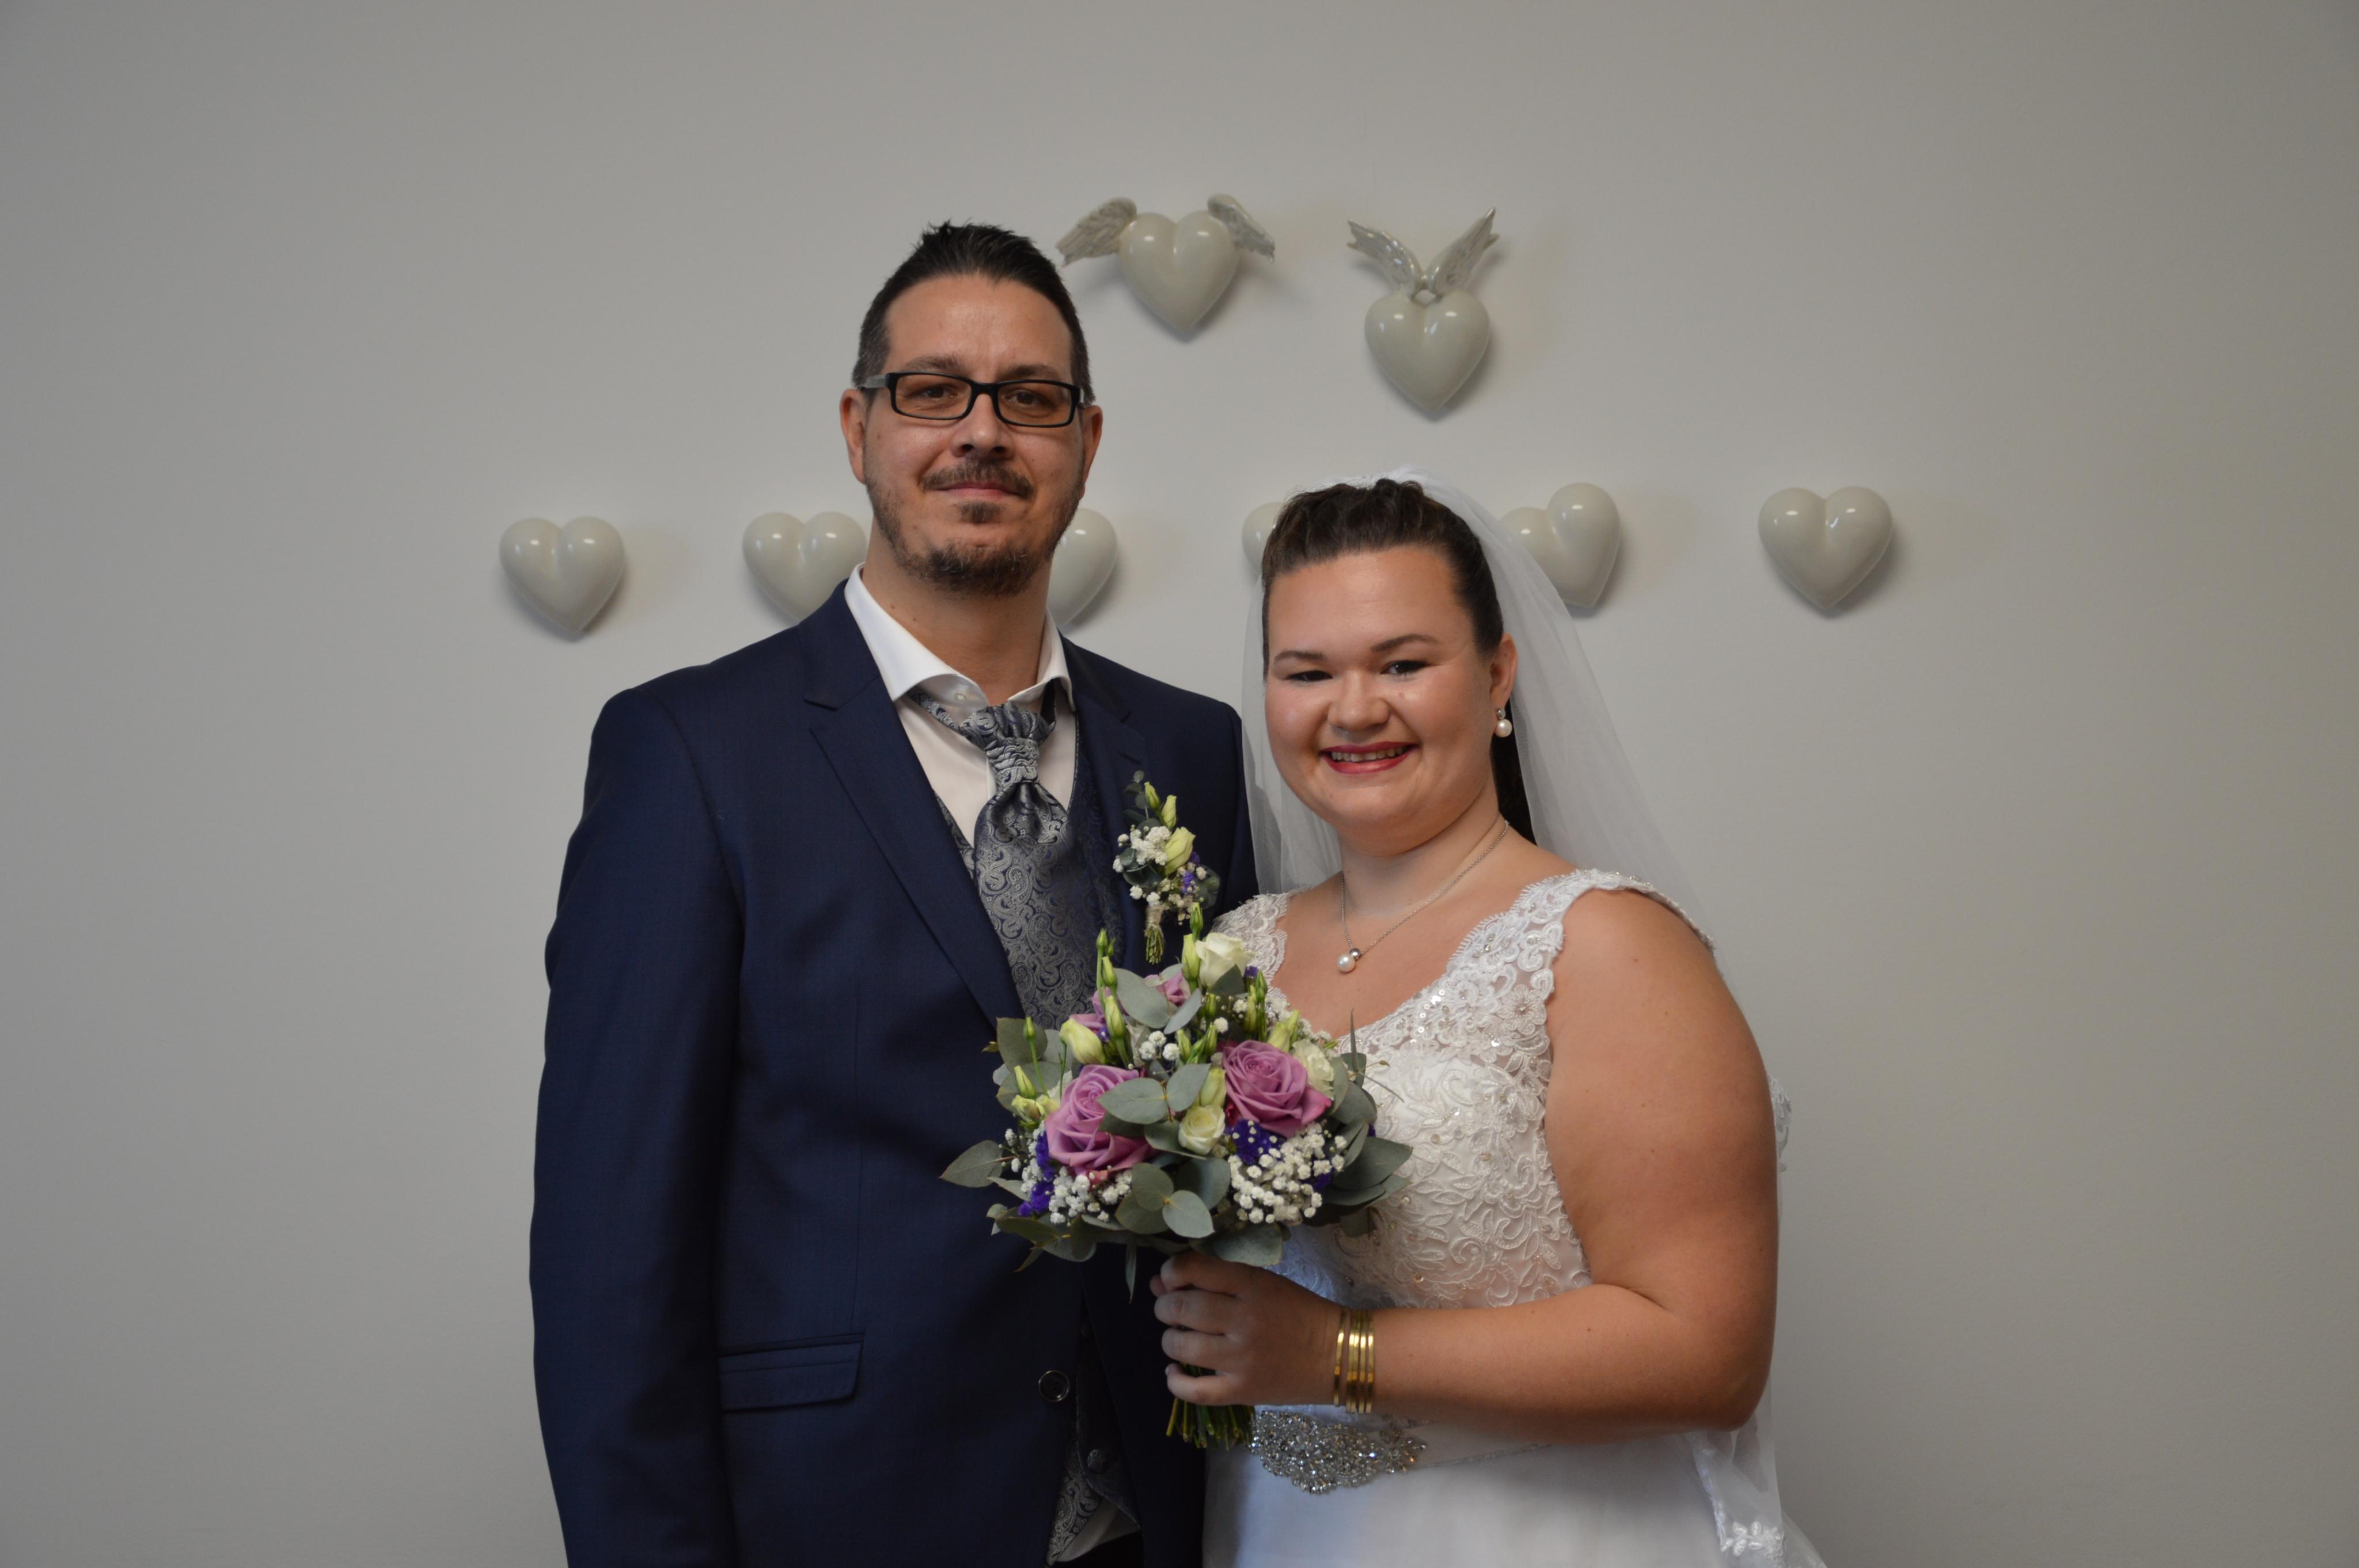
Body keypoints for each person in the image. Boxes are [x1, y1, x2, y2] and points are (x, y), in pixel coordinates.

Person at [530, 223, 1256, 1568]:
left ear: (1085, 441)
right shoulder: (690, 754)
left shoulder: (1190, 748)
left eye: (1028, 398)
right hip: (833, 1517)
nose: (981, 432)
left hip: (1142, 1517)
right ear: (858, 427)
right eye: (933, 391)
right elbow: (607, 1253)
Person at [1155, 473, 1825, 1566]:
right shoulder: (1234, 953)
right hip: (1283, 1530)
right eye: (1307, 671)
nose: (1353, 709)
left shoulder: (1604, 945)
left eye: (1403, 664)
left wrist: (1337, 1355)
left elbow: (1707, 1353)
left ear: (1498, 672)